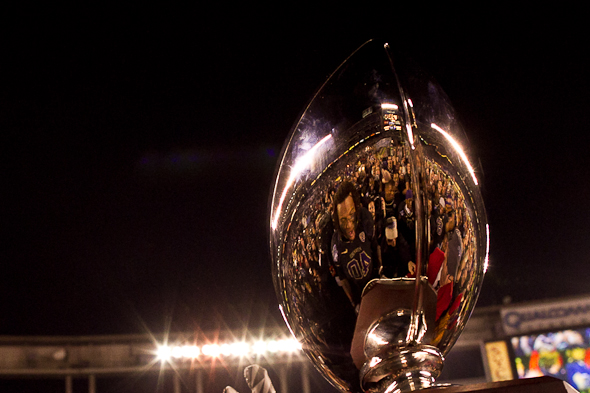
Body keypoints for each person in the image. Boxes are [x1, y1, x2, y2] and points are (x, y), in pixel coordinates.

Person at [331, 181, 378, 310]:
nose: (349, 225)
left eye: (351, 215)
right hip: (359, 294)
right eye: (343, 220)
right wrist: (354, 302)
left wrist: (380, 272)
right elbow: (343, 278)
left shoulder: (366, 221)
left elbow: (375, 246)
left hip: (375, 283)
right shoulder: (336, 245)